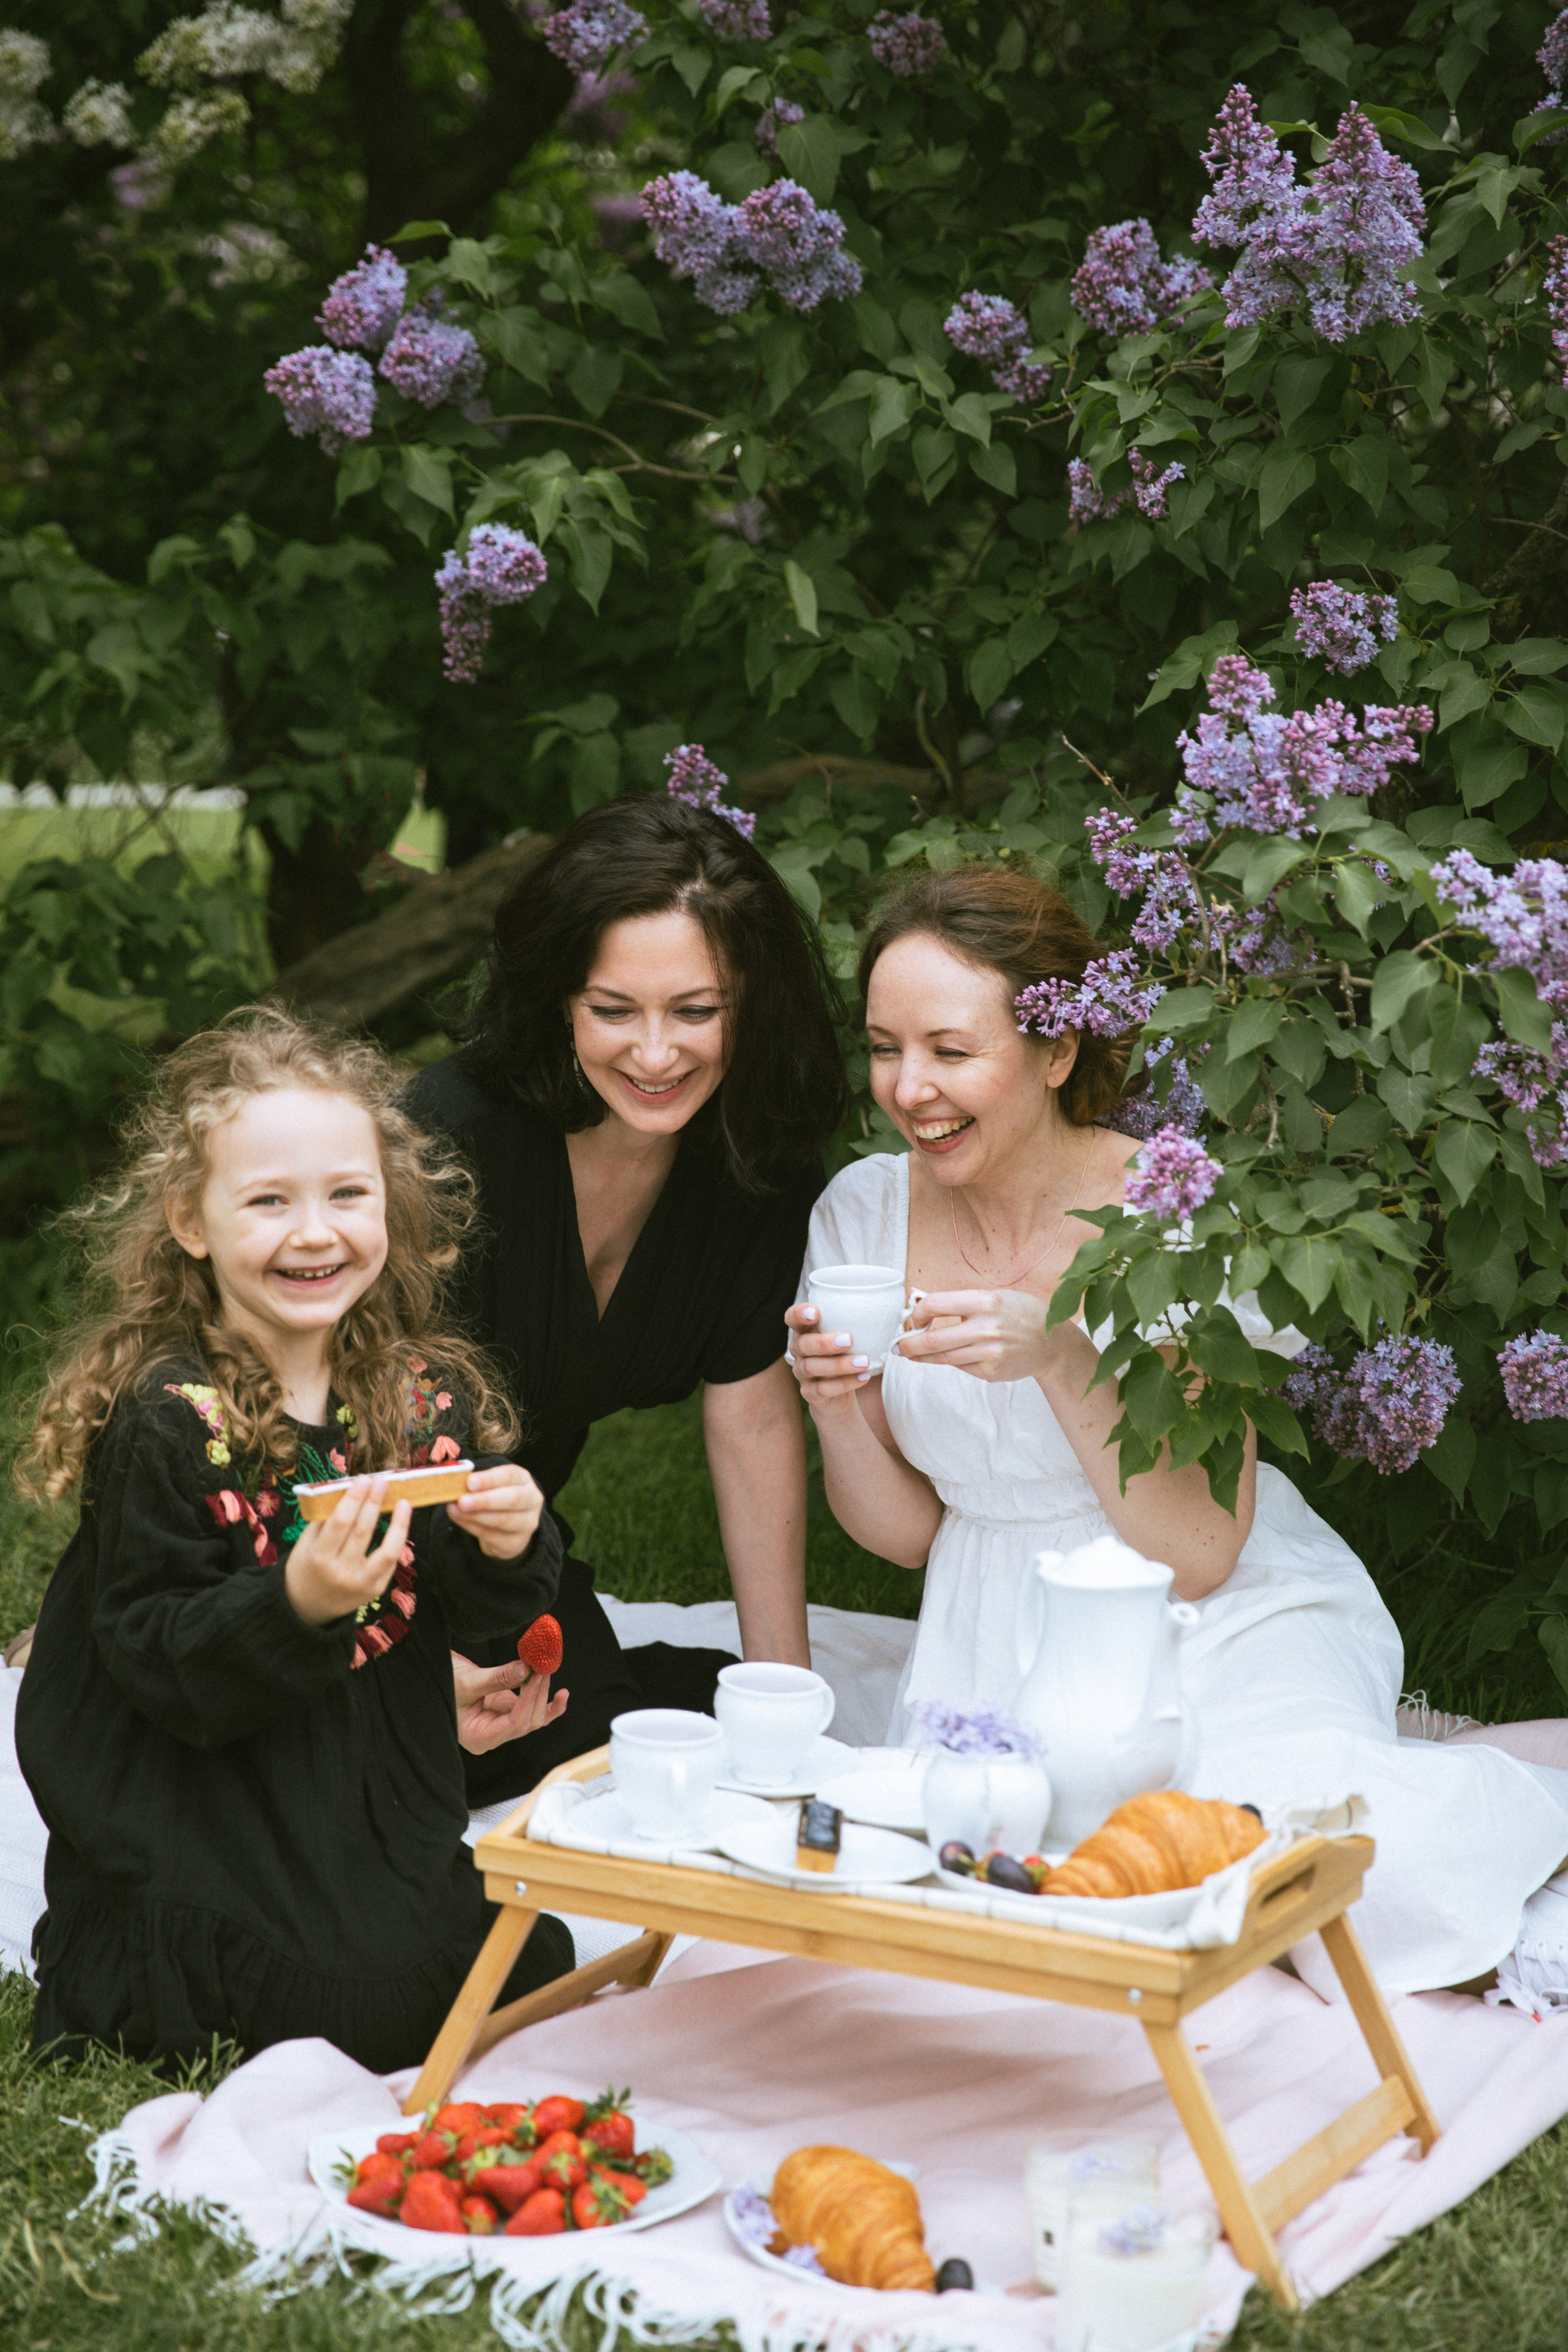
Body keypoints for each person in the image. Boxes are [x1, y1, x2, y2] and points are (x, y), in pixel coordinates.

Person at [786, 864, 1568, 2005]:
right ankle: (1409, 1761)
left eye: (952, 1052)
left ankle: (1515, 1783)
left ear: (1056, 1052)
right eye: (884, 1047)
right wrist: (835, 1405)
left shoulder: (1171, 1217)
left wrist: (1061, 1355)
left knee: (1301, 1876)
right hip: (994, 1621)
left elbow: (1197, 1551)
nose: (911, 1088)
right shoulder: (863, 1212)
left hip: (1210, 1608)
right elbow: (905, 1535)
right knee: (1061, 1896)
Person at [14, 1011, 573, 2072]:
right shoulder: (170, 1419)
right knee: (350, 2010)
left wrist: (509, 1549)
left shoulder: (421, 1393)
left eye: (346, 1196)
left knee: (517, 1961)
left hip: (366, 1795)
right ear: (192, 1219)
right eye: (268, 1201)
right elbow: (152, 1655)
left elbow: (481, 1618)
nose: (314, 1233)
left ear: (391, 1209)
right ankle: (156, 1958)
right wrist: (296, 1604)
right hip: (206, 1807)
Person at [406, 792, 847, 1804]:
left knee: (594, 1740)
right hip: (349, 1540)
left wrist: (786, 1695)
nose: (657, 1055)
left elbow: (750, 1415)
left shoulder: (757, 1158)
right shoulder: (445, 1140)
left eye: (697, 1011)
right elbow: (330, 1424)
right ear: (560, 999)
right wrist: (409, 1663)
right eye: (615, 1011)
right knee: (407, 1763)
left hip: (507, 1549)